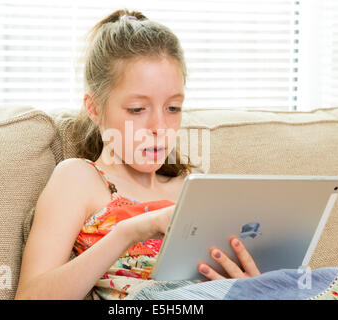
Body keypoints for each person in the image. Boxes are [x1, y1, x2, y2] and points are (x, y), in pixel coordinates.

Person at [15, 9, 261, 300]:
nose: (160, 127)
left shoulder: (192, 186)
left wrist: (249, 283)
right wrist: (130, 231)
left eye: (173, 108)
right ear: (94, 108)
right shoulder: (79, 179)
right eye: (137, 109)